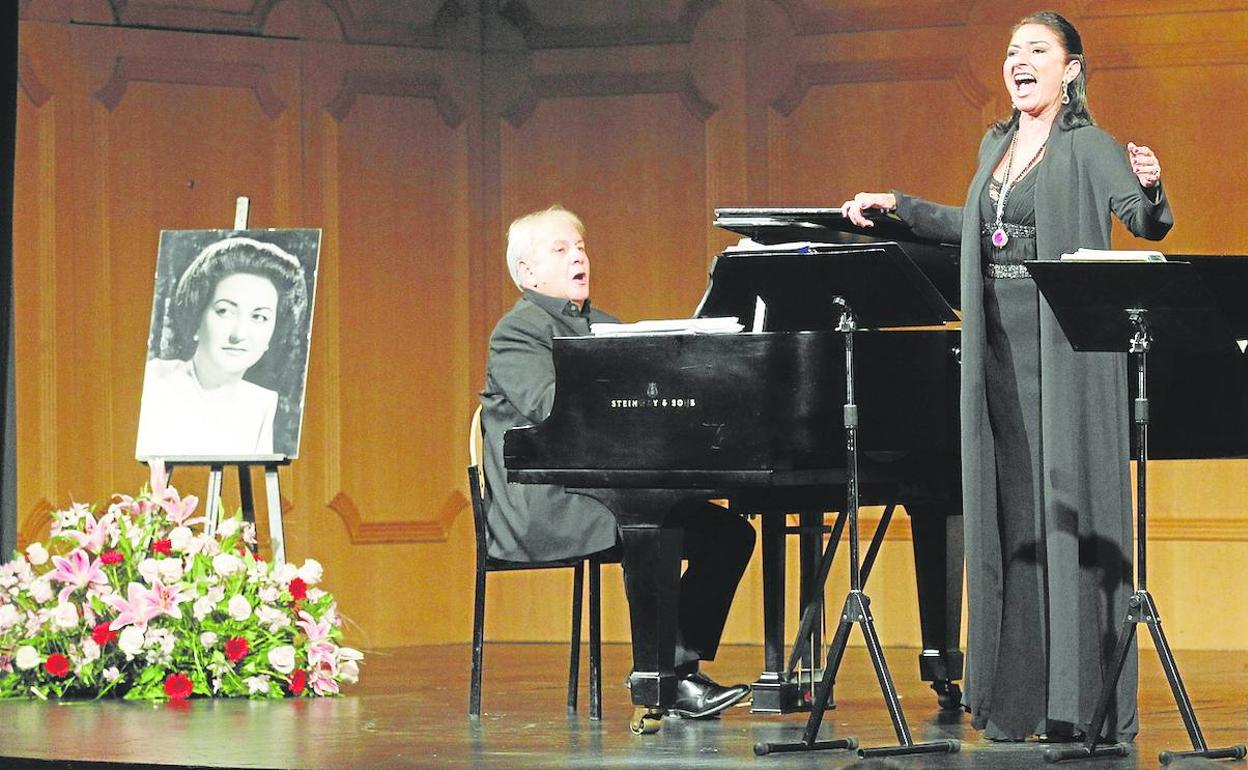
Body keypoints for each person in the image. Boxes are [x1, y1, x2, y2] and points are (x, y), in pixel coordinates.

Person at [839, 11, 1172, 743]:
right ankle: (1016, 698)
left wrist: (1149, 185)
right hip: (997, 355)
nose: (1019, 61)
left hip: (1065, 354)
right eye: (1012, 51)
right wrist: (897, 206)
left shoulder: (1090, 146)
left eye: (1037, 50)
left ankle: (1080, 704)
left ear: (1071, 68)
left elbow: (1143, 223)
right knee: (1013, 518)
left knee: (1067, 509)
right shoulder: (996, 143)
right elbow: (973, 227)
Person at [479, 205, 756, 719]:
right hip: (548, 499)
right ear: (526, 272)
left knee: (729, 534)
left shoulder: (608, 328)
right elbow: (549, 409)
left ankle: (678, 668)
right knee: (648, 523)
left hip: (609, 486)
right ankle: (664, 677)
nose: (577, 256)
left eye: (580, 246)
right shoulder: (518, 332)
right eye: (560, 250)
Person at [136, 236, 309, 458]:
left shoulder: (261, 403)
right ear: (196, 317)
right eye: (224, 311)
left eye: (259, 317)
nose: (239, 334)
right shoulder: (155, 382)